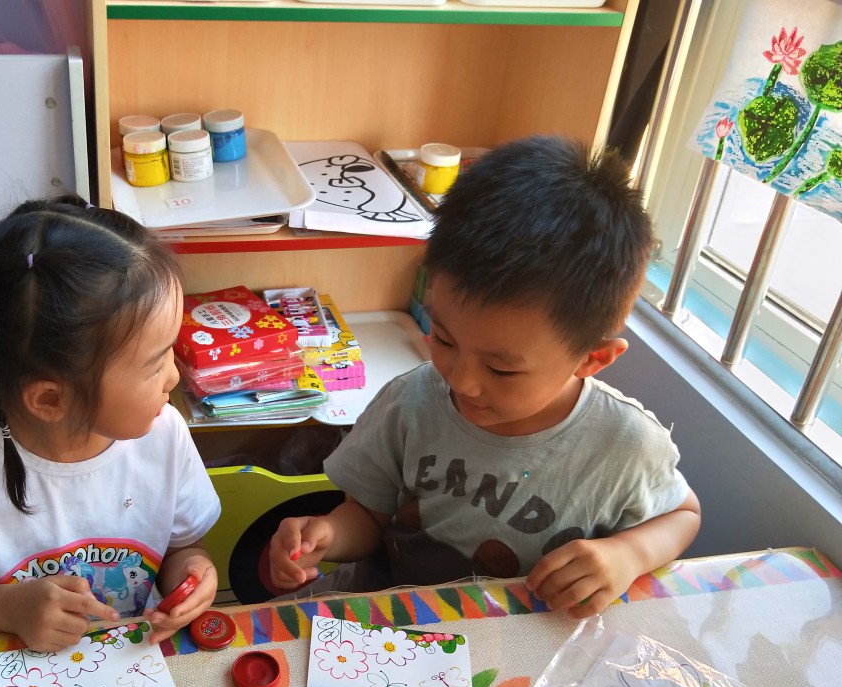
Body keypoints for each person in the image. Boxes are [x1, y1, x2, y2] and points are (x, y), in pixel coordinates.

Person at [268, 135, 701, 618]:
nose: (462, 382)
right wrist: (328, 535)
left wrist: (629, 553)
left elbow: (682, 514)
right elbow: (369, 515)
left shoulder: (626, 444)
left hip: (531, 637)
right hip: (396, 625)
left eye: (501, 368)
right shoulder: (410, 402)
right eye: (444, 339)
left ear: (592, 359)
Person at [0, 196, 221, 651]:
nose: (175, 376)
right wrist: (6, 610)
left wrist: (193, 575)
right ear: (51, 399)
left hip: (131, 663)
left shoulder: (164, 433)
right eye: (155, 363)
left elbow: (182, 546)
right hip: (9, 678)